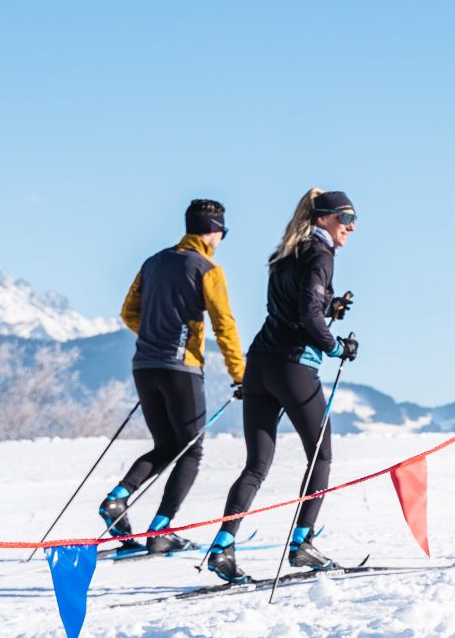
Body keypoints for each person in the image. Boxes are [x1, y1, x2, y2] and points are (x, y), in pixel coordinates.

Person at [205, 188, 360, 584]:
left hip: (260, 365)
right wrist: (336, 344)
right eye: (345, 218)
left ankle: (223, 546)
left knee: (256, 464)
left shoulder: (285, 252)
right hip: (294, 366)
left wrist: (329, 308)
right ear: (325, 218)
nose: (351, 227)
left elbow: (292, 308)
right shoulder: (321, 254)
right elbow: (308, 314)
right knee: (320, 457)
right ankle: (302, 543)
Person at [97, 198, 246, 555]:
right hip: (181, 368)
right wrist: (240, 374)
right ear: (214, 231)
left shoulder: (153, 262)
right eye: (223, 232)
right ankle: (160, 530)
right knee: (191, 451)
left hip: (144, 365)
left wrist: (153, 336)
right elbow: (224, 324)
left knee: (166, 445)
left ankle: (117, 499)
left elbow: (127, 311)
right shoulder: (207, 268)